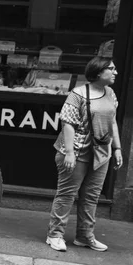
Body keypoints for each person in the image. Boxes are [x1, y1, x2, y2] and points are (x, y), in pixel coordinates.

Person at [46, 56, 123, 252]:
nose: (115, 72)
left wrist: (117, 148)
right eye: (111, 69)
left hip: (101, 152)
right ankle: (54, 235)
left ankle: (85, 236)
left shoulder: (110, 93)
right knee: (67, 194)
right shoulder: (78, 94)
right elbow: (68, 124)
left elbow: (112, 122)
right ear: (98, 72)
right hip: (77, 151)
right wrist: (70, 153)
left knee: (91, 196)